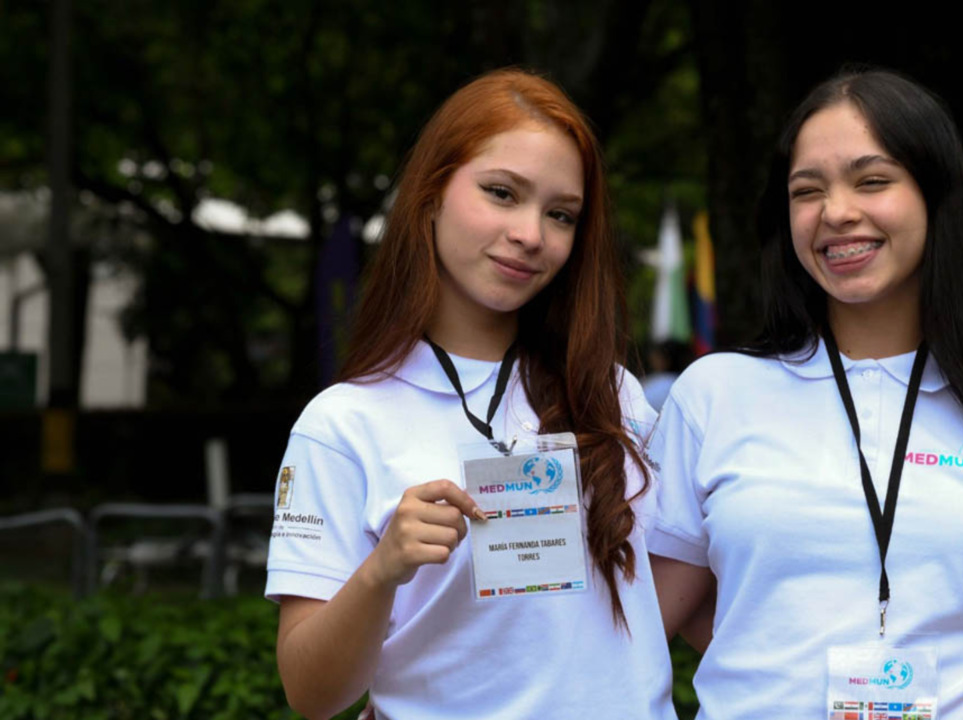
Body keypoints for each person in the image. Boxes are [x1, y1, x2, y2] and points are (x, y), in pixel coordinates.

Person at [647, 68, 963, 720]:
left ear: (935, 196)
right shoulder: (716, 395)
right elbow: (645, 622)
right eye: (807, 190)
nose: (836, 212)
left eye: (872, 180)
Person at [265, 69, 677, 720]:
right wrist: (382, 570)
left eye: (560, 214)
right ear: (430, 195)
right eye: (501, 193)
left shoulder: (614, 397)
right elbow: (311, 695)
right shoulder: (343, 424)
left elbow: (686, 590)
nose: (531, 234)